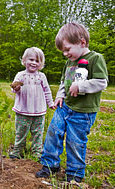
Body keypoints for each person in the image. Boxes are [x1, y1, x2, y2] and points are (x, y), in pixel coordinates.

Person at [35, 23, 108, 183]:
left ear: (82, 42)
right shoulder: (69, 62)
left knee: (75, 142)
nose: (65, 54)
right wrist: (60, 95)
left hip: (83, 112)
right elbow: (64, 81)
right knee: (53, 133)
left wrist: (81, 85)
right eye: (63, 51)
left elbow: (102, 82)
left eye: (68, 49)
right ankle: (50, 164)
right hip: (65, 107)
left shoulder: (95, 59)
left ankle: (74, 174)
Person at [9, 47, 55, 160]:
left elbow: (47, 91)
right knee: (21, 132)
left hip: (39, 111)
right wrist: (17, 88)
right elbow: (14, 89)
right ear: (24, 60)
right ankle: (18, 150)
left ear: (41, 64)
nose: (34, 63)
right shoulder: (20, 75)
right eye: (31, 60)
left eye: (37, 61)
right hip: (22, 110)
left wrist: (51, 103)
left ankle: (37, 152)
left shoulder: (41, 76)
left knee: (38, 133)